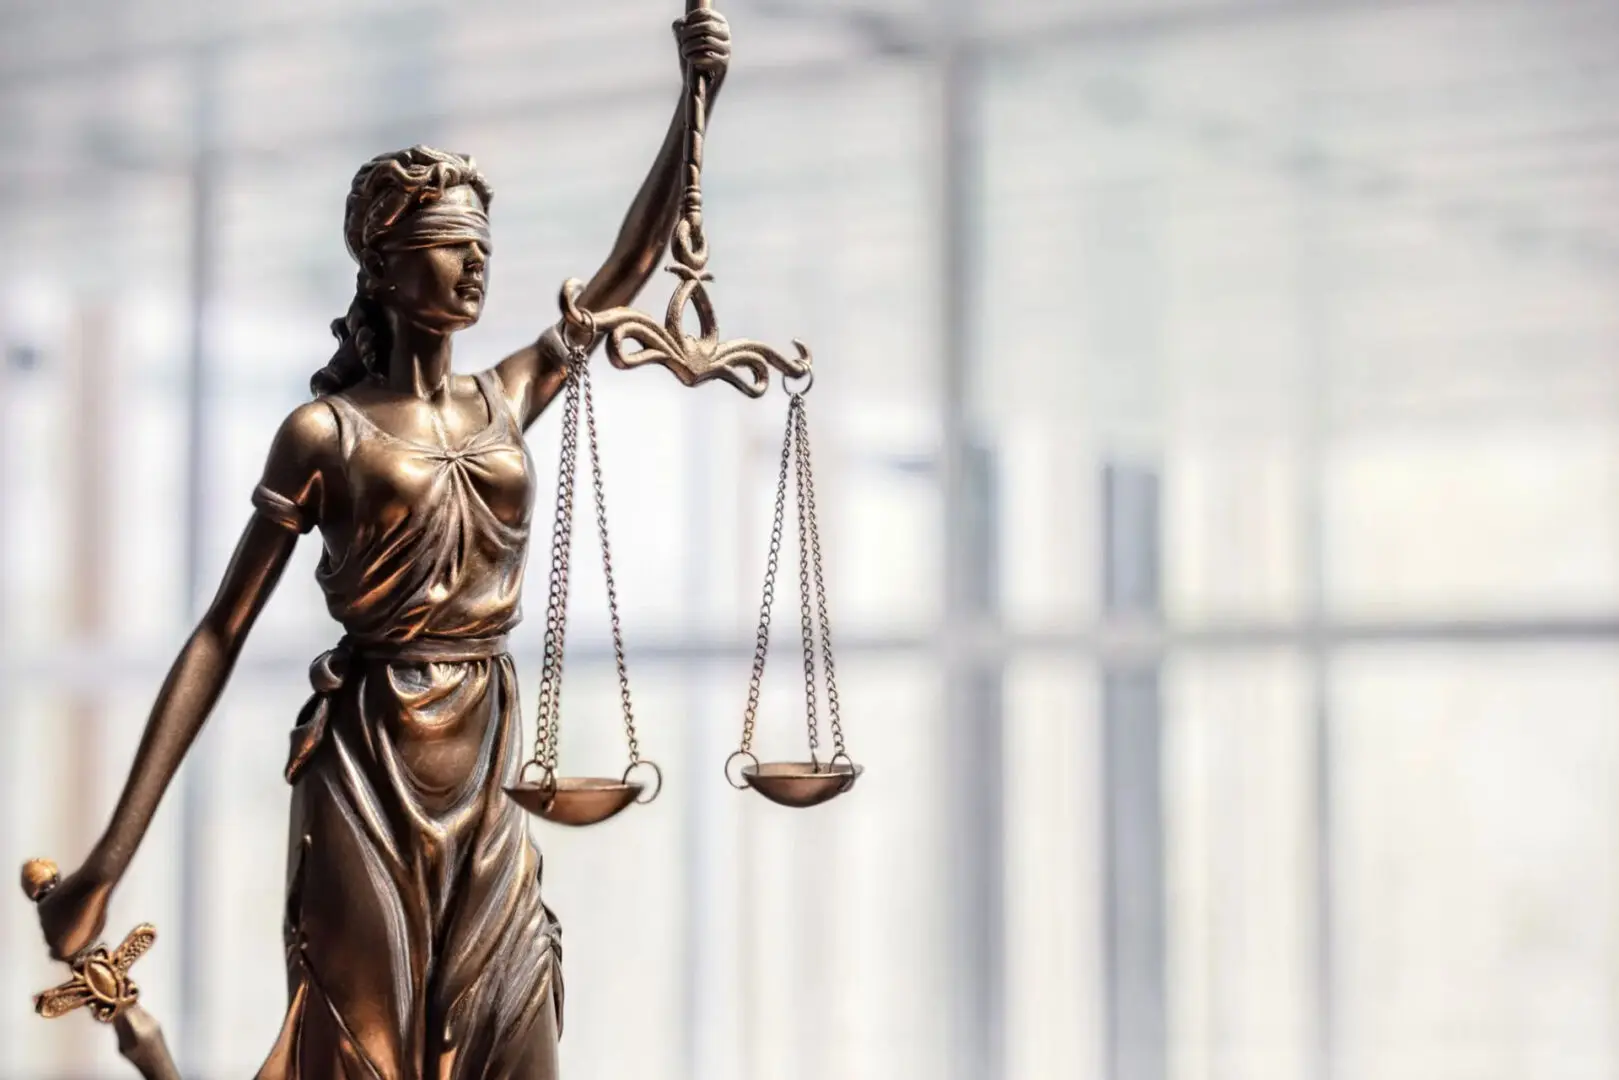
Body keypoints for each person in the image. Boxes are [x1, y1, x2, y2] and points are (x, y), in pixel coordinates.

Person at [32, 10, 732, 1077]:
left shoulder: (504, 398)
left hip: (486, 766)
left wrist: (695, 100)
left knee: (517, 1031)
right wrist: (105, 865)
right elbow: (219, 634)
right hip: (365, 768)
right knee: (362, 1052)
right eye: (451, 247)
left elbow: (625, 269)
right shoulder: (327, 433)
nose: (475, 268)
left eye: (482, 248)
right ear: (385, 263)